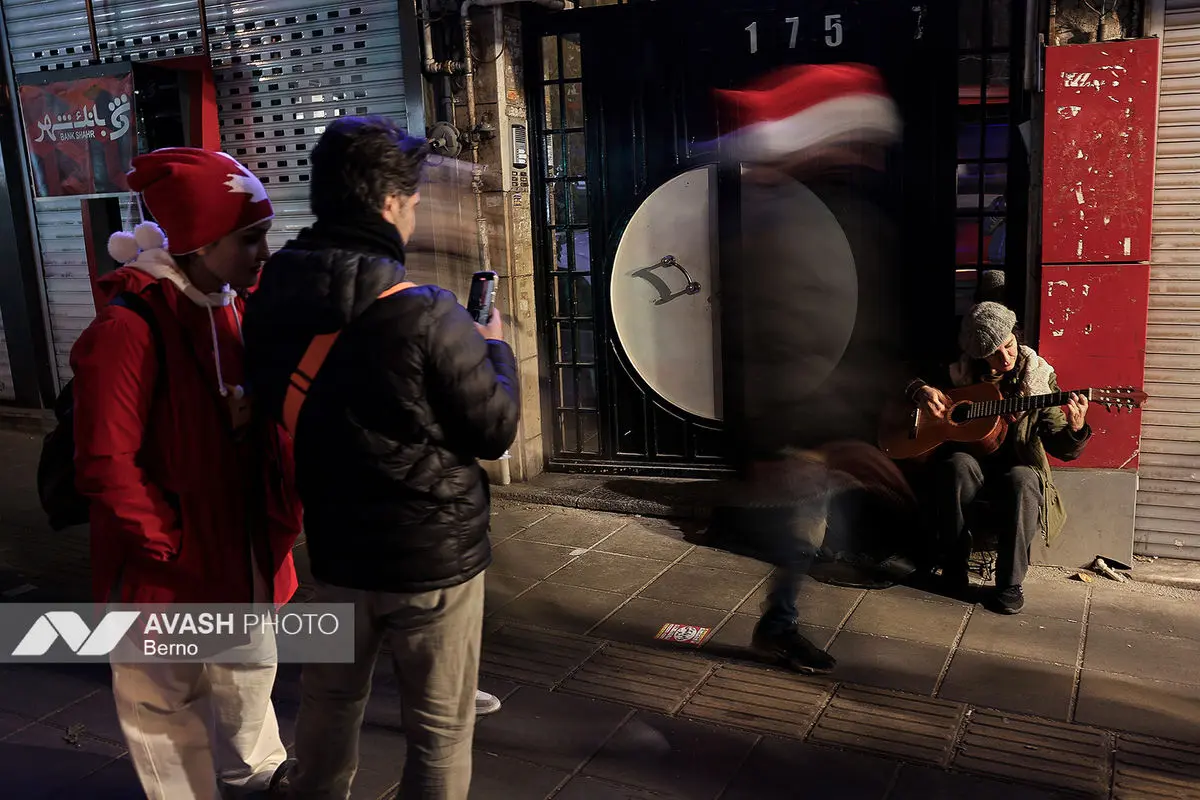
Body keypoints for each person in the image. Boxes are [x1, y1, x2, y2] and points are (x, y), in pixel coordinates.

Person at [242, 115, 520, 799]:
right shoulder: (426, 311)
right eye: (415, 201)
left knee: (329, 704)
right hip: (431, 560)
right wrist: (493, 348)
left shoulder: (272, 292)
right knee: (439, 729)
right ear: (391, 202)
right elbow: (494, 429)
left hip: (335, 545)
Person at [70, 148, 303, 799]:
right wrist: (167, 545)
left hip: (240, 552)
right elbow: (106, 461)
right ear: (200, 241)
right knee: (164, 704)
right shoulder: (128, 327)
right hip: (166, 570)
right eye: (249, 238)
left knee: (247, 677)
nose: (264, 252)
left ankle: (256, 777)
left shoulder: (235, 307)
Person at [903, 301, 1092, 614]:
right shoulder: (958, 373)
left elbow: (1062, 447)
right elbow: (901, 375)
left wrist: (1076, 428)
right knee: (957, 465)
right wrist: (919, 389)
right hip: (973, 467)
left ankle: (1009, 584)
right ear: (979, 355)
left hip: (1017, 466)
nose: (1006, 357)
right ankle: (953, 569)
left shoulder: (1038, 379)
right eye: (994, 353)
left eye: (1009, 345)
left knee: (1024, 479)